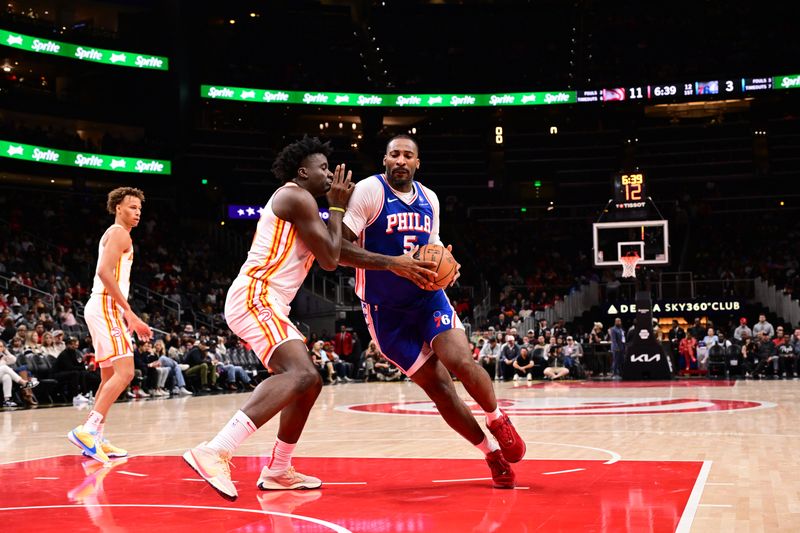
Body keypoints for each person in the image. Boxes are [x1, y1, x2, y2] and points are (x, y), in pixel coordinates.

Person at [338, 135, 525, 489]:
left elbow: (433, 244)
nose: (401, 160)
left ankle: (497, 419)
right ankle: (491, 455)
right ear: (385, 159)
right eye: (394, 154)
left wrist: (448, 264)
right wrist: (394, 265)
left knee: (462, 361)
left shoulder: (430, 199)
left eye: (408, 155)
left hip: (427, 298)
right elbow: (339, 250)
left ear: (417, 162)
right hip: (385, 313)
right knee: (441, 390)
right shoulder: (368, 192)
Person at [184, 136, 354, 500]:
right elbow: (330, 259)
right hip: (255, 294)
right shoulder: (296, 196)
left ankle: (278, 469)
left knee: (310, 383)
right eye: (322, 168)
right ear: (302, 171)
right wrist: (337, 207)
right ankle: (214, 450)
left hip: (269, 301)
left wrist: (399, 264)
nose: (328, 175)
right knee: (301, 373)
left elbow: (339, 250)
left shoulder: (305, 204)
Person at [67, 187, 152, 464]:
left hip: (102, 307)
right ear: (118, 208)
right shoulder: (119, 233)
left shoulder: (117, 234)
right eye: (131, 207)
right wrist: (130, 313)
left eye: (139, 208)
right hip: (106, 306)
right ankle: (88, 429)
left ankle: (96, 437)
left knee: (108, 377)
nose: (136, 212)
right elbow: (103, 272)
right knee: (126, 372)